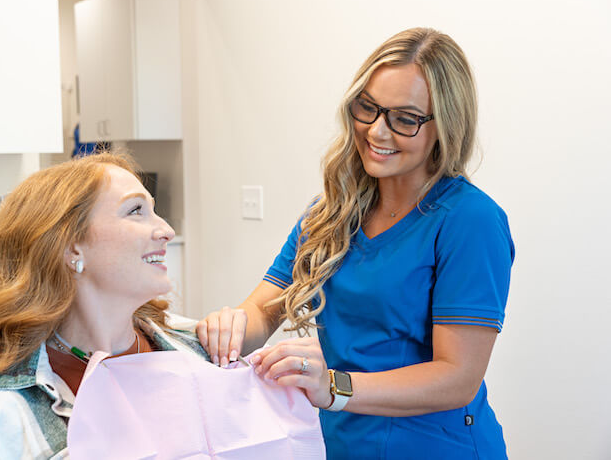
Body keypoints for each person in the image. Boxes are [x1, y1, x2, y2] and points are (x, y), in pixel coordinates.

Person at [197, 27, 514, 459]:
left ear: (446, 125)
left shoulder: (469, 221)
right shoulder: (331, 212)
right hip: (340, 442)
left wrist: (332, 386)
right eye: (368, 108)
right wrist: (228, 328)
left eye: (404, 119)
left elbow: (457, 378)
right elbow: (261, 311)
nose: (377, 132)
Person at [0, 151, 209, 459]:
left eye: (154, 210)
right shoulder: (1, 415)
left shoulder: (203, 347)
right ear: (71, 247)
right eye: (136, 210)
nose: (167, 230)